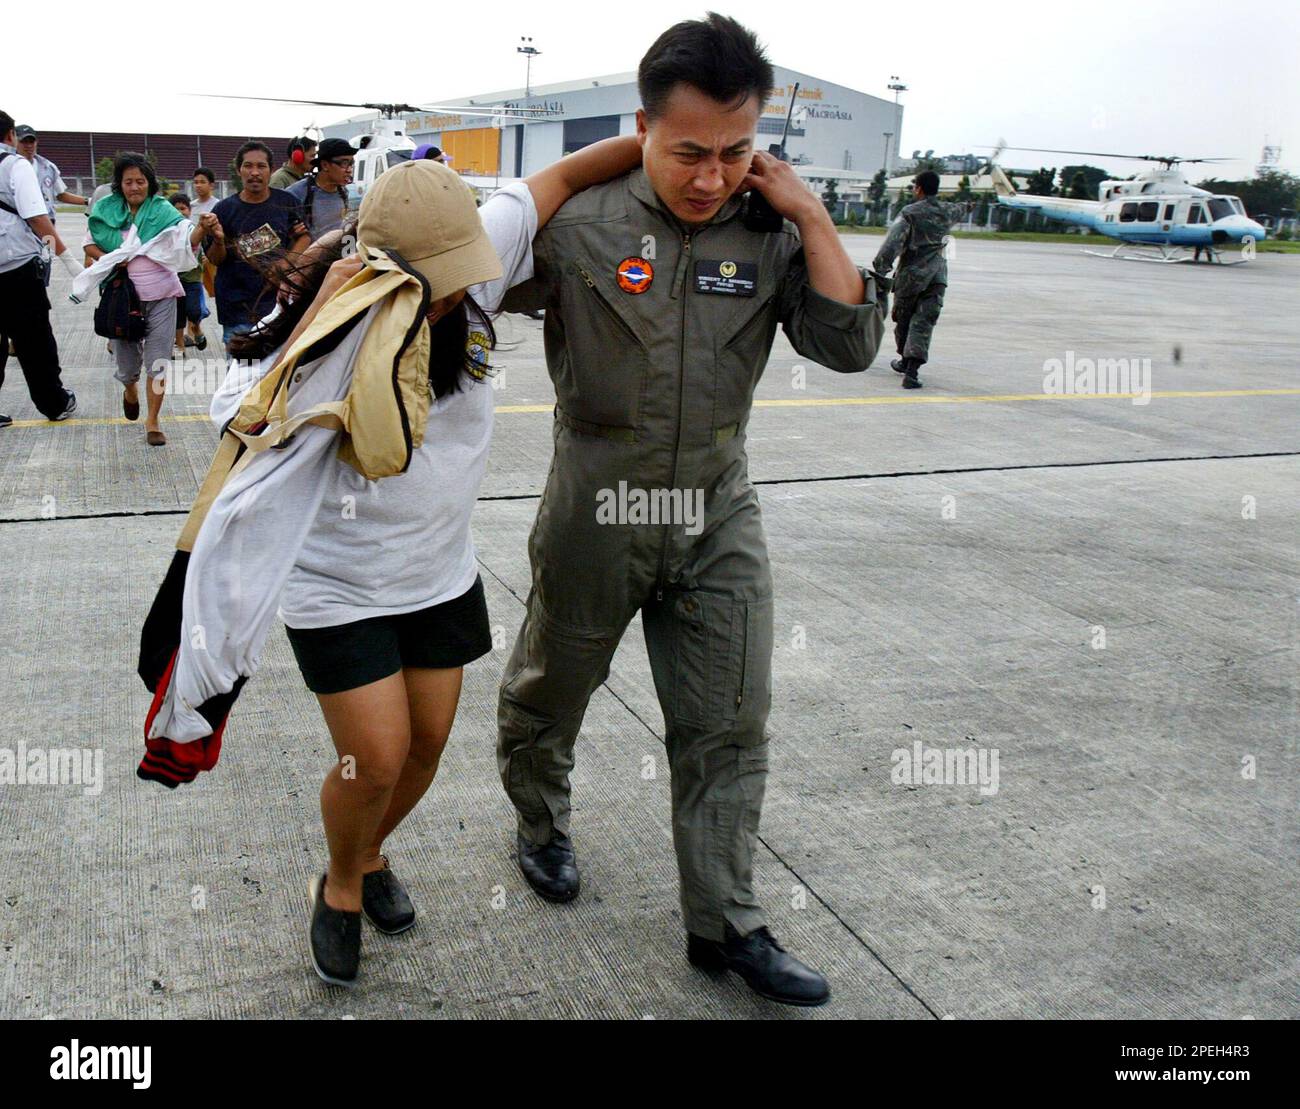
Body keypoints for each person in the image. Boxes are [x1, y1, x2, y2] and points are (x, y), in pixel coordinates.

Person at [142, 138, 643, 986]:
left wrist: (661, 139)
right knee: (373, 756)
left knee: (427, 747)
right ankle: (340, 881)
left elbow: (555, 177)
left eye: (462, 269)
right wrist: (312, 320)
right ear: (374, 261)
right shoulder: (331, 316)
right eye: (436, 277)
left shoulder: (472, 273)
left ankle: (369, 851)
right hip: (336, 583)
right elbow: (237, 417)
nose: (454, 292)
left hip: (438, 573)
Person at [494, 14, 885, 1008]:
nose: (711, 176)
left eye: (735, 151)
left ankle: (726, 922)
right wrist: (587, 166)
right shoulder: (580, 226)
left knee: (728, 722)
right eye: (686, 152)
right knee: (551, 688)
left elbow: (847, 346)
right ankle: (540, 822)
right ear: (641, 130)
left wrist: (810, 214)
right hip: (597, 507)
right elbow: (470, 260)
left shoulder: (766, 231)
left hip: (717, 508)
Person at [81, 152, 209, 445]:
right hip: (121, 299)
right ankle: (130, 390)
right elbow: (89, 244)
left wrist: (202, 228)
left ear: (149, 184)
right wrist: (112, 258)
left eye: (140, 181)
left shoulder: (163, 211)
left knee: (158, 362)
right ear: (120, 184)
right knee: (127, 367)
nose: (135, 187)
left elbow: (186, 239)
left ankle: (153, 421)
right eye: (129, 182)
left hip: (162, 296)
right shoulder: (105, 209)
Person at [0, 109, 77, 429]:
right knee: (34, 340)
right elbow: (37, 217)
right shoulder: (14, 165)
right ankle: (53, 402)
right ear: (10, 136)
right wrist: (65, 256)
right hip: (15, 268)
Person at [205, 141, 308, 352]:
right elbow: (215, 259)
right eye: (248, 166)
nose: (254, 172)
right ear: (238, 170)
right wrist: (218, 240)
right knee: (242, 375)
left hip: (280, 307)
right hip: (237, 308)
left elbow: (304, 238)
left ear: (271, 170)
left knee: (275, 372)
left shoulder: (287, 202)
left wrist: (284, 263)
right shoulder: (223, 210)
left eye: (261, 166)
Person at [872, 170, 956, 389]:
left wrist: (881, 267)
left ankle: (906, 362)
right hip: (937, 276)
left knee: (904, 320)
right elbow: (964, 208)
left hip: (912, 276)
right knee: (924, 323)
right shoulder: (947, 211)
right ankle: (911, 369)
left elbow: (894, 242)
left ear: (918, 188)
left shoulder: (910, 213)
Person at [14, 124, 90, 220]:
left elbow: (61, 195)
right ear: (14, 141)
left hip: (46, 220)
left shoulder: (48, 167)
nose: (29, 145)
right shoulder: (8, 167)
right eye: (23, 142)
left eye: (31, 141)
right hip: (21, 222)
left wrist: (89, 201)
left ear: (36, 142)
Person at [284, 138, 355, 238]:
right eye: (344, 163)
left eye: (351, 164)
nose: (349, 170)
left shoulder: (344, 192)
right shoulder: (297, 193)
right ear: (325, 165)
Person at [168, 194, 209, 351]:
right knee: (177, 315)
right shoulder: (168, 231)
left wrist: (205, 258)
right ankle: (180, 345)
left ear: (190, 210)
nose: (179, 212)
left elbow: (204, 246)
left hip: (193, 279)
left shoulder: (195, 228)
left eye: (183, 208)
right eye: (175, 209)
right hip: (175, 279)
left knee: (194, 310)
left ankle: (196, 329)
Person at [190, 168, 219, 298]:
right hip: (193, 256)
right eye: (196, 182)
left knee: (215, 291)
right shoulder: (191, 206)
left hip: (210, 256)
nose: (198, 185)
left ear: (211, 185)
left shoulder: (218, 205)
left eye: (202, 182)